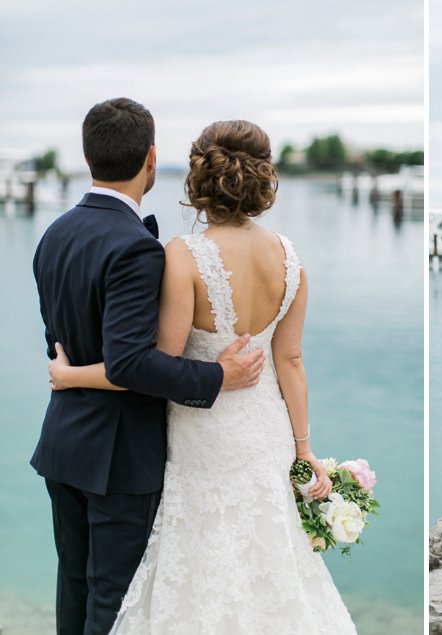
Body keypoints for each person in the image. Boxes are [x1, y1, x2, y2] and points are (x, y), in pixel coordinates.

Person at [48, 119, 357, 632]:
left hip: (203, 438)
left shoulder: (183, 255)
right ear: (263, 180)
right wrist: (304, 452)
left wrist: (71, 375)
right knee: (269, 564)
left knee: (201, 568)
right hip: (267, 434)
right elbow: (292, 363)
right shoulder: (292, 259)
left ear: (199, 181)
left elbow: (156, 366)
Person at [31, 98, 265, 635]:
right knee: (115, 602)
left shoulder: (54, 234)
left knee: (75, 585)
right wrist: (218, 377)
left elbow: (60, 342)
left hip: (64, 442)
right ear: (152, 160)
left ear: (89, 158)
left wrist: (67, 376)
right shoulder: (137, 248)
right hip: (118, 458)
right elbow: (133, 362)